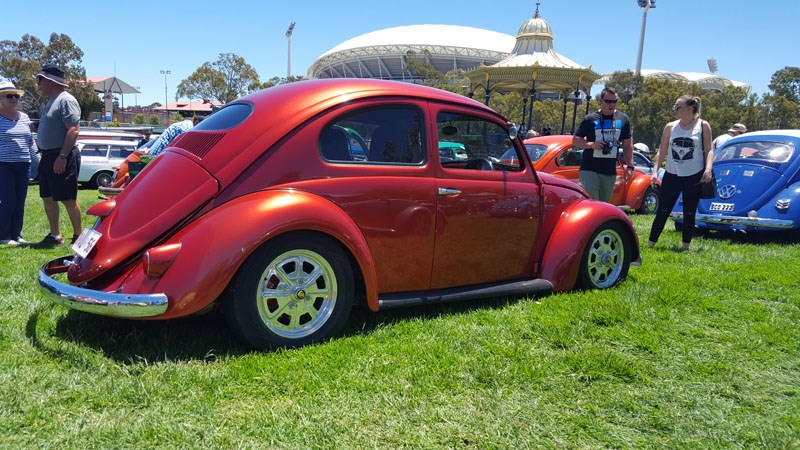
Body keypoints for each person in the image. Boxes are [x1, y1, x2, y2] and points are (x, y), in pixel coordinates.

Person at [647, 95, 714, 251]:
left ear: (690, 109)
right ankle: (651, 244)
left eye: (678, 107)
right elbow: (662, 151)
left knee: (689, 212)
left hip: (694, 175)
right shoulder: (670, 126)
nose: (675, 110)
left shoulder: (703, 126)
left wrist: (708, 169)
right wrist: (655, 171)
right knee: (663, 209)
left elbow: (709, 150)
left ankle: (685, 247)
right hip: (672, 173)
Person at [34, 64, 82, 246]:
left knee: (68, 198)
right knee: (47, 196)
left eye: (40, 80)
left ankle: (78, 236)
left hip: (62, 155)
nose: (39, 84)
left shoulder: (66, 100)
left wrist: (62, 157)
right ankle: (55, 235)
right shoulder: (51, 101)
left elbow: (73, 130)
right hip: (48, 156)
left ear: (49, 81)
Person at [572, 87, 634, 202]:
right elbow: (576, 140)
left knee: (603, 204)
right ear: (600, 101)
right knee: (592, 202)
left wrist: (630, 166)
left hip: (609, 171)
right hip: (589, 168)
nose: (611, 104)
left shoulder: (623, 119)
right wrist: (591, 144)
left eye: (614, 101)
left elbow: (627, 144)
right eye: (608, 101)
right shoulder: (590, 119)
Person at [0, 81, 39, 245]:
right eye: (10, 96)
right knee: (8, 200)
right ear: (1, 98)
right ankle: (4, 236)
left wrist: (36, 157)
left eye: (16, 96)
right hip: (3, 165)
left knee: (20, 200)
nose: (14, 98)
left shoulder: (24, 117)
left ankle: (17, 234)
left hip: (23, 164)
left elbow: (30, 141)